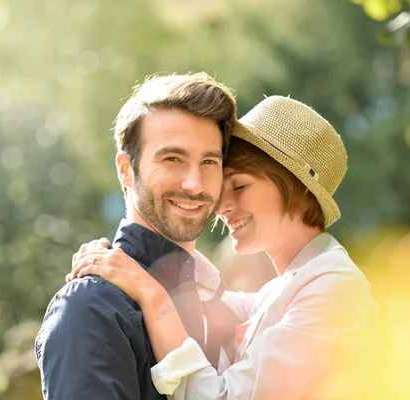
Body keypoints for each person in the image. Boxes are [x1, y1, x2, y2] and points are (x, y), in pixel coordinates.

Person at [69, 96, 381, 399]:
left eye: (240, 186)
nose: (222, 204)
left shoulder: (334, 290)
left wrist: (148, 291)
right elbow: (207, 301)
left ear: (297, 188)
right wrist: (122, 259)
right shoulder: (282, 290)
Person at [35, 72, 242, 400]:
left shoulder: (223, 306)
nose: (194, 183)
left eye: (208, 161)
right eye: (173, 159)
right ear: (125, 169)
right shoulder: (91, 308)